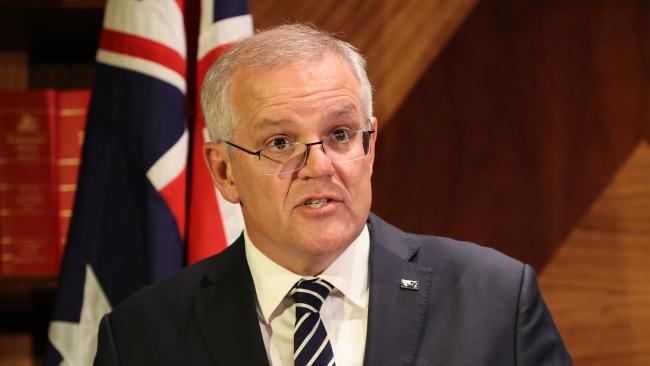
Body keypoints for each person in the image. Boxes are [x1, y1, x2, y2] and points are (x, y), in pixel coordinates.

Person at [95, 24, 571, 365]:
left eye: (341, 134)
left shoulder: (495, 301)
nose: (319, 166)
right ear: (224, 171)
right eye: (280, 143)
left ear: (370, 145)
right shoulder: (140, 337)